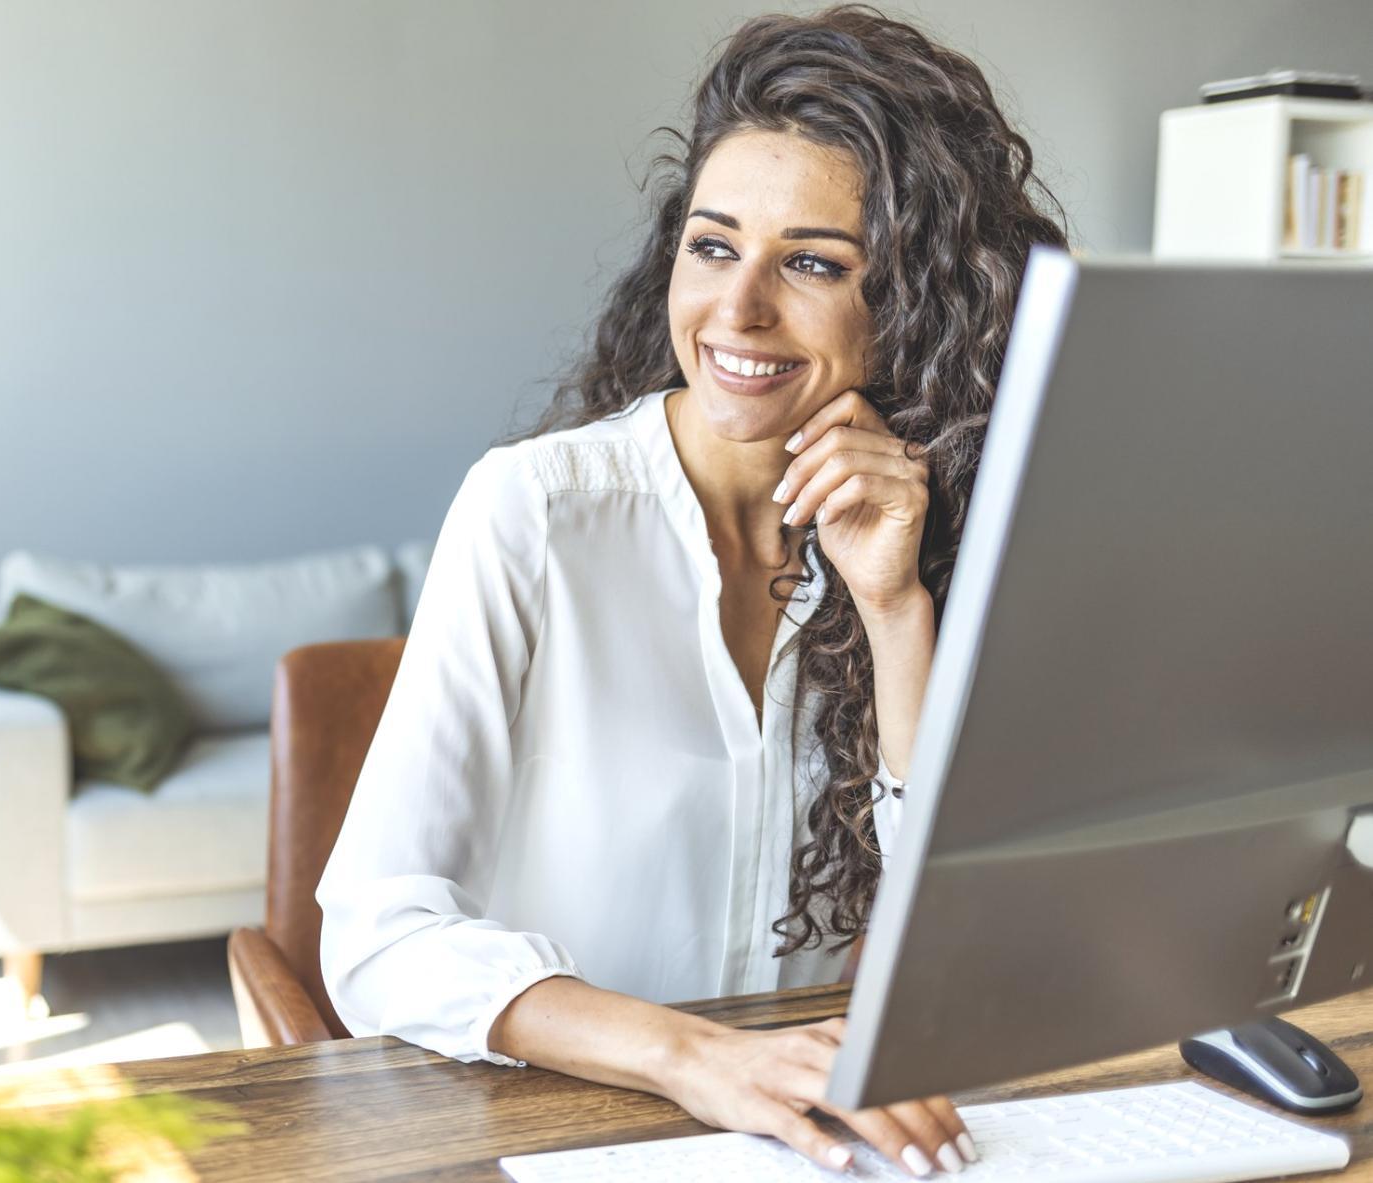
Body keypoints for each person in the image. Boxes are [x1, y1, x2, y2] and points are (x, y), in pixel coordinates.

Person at [315, 4, 1070, 1177]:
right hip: (554, 1129)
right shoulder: (537, 512)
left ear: (914, 303)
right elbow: (376, 936)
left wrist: (893, 607)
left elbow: (964, 952)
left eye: (813, 263)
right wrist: (699, 1059)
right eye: (713, 246)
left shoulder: (939, 529)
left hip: (821, 1140)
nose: (737, 309)